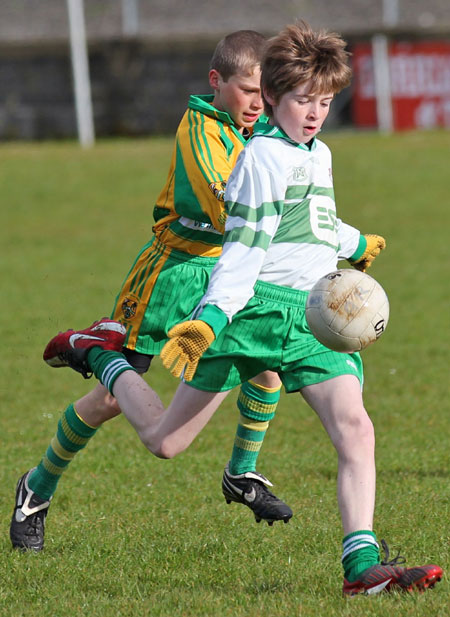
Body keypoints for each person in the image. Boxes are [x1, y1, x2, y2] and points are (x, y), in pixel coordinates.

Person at [26, 21, 442, 596]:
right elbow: (245, 251)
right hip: (249, 314)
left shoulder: (317, 153)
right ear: (272, 97)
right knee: (165, 443)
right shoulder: (259, 160)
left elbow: (308, 226)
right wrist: (213, 318)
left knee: (357, 430)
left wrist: (351, 245)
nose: (316, 113)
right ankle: (104, 358)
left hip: (309, 316)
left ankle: (361, 566)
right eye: (303, 101)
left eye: (325, 101)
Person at [10, 30, 293, 554]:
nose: (260, 103)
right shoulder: (200, 129)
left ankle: (241, 474)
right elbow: (226, 206)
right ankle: (37, 486)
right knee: (111, 400)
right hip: (170, 274)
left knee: (265, 365)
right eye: (249, 91)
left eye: (267, 93)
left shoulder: (265, 129)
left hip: (226, 272)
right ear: (217, 81)